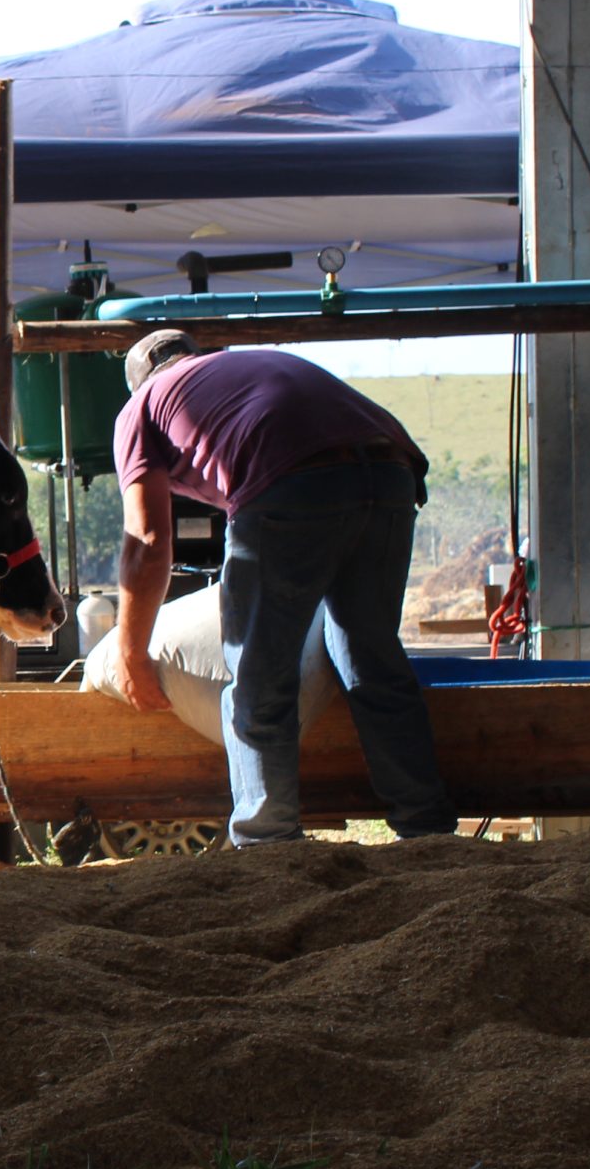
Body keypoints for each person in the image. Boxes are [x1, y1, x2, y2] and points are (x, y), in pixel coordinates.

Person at [110, 329, 455, 846]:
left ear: (136, 386)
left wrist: (132, 653)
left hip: (289, 478)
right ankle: (426, 828)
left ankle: (266, 841)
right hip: (391, 469)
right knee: (370, 659)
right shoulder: (241, 368)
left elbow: (148, 541)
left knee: (258, 674)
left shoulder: (141, 408)